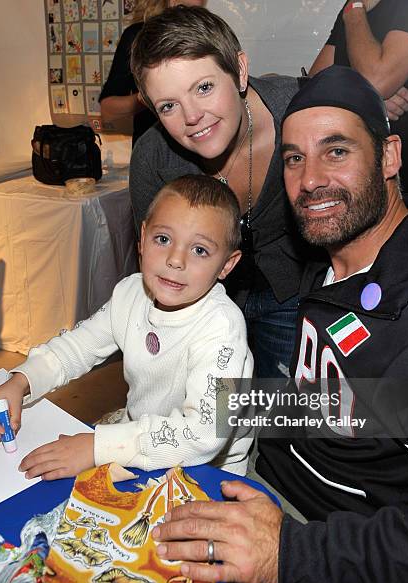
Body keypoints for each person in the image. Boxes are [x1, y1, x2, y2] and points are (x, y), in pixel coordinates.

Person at [150, 67, 408, 583]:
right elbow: (346, 407)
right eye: (295, 157)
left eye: (336, 151)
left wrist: (291, 555)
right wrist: (200, 414)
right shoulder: (343, 256)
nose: (311, 179)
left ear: (390, 157)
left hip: (324, 544)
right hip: (268, 476)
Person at [0, 175, 253, 480]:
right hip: (140, 437)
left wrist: (97, 447)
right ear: (143, 236)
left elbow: (205, 434)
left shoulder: (224, 329)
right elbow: (78, 347)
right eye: (163, 239)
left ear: (227, 265)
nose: (175, 260)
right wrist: (21, 381)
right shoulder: (130, 293)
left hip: (208, 468)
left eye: (200, 250)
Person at [129, 5, 307, 379]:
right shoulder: (153, 157)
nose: (191, 116)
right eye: (169, 105)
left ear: (239, 71)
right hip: (205, 306)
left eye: (204, 87)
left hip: (293, 293)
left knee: (281, 413)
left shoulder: (299, 113)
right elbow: (157, 261)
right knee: (219, 422)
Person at [309, 0, 408, 195]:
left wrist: (354, 12)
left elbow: (376, 80)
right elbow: (314, 82)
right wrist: (359, 92)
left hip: (402, 188)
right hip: (343, 175)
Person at [99, 0, 205, 146]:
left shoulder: (204, 33)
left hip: (198, 144)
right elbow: (107, 110)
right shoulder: (139, 36)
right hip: (153, 150)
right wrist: (147, 98)